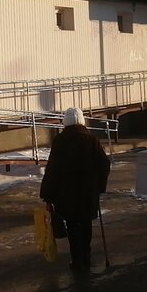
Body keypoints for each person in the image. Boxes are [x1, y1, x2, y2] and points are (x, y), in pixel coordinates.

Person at [39, 107, 111, 273]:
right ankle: (86, 256)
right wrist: (99, 185)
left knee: (72, 225)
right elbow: (104, 164)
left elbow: (53, 169)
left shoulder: (60, 141)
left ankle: (76, 259)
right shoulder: (91, 140)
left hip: (66, 193)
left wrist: (47, 194)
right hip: (87, 192)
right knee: (85, 224)